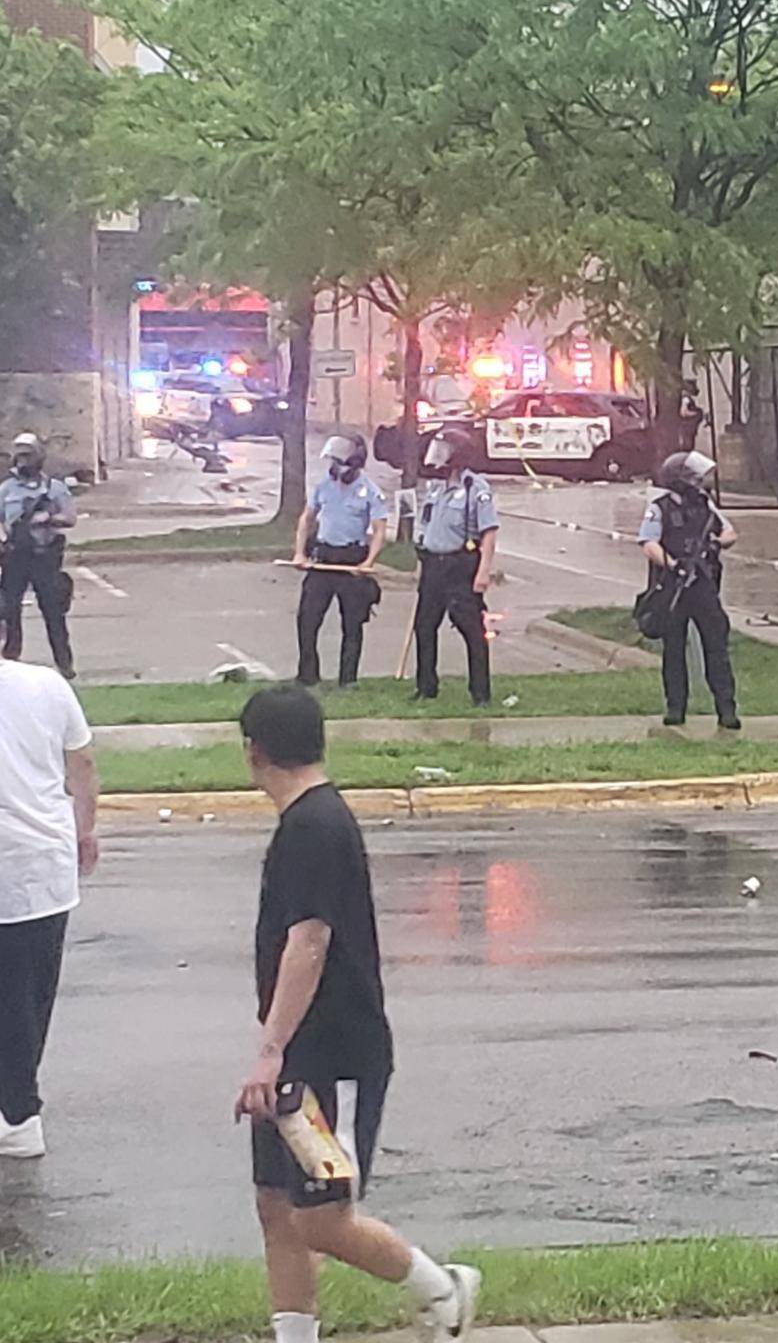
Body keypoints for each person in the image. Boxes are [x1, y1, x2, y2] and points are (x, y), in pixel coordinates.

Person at [236, 685, 479, 1343]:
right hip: (297, 1056)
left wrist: (268, 1051)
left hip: (331, 1055)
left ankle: (443, 1287)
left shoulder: (316, 826)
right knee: (276, 1205)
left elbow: (308, 941)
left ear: (254, 752)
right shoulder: (307, 820)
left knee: (322, 1217)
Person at [0, 597, 98, 1159]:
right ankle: (18, 1107)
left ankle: (15, 1110)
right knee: (32, 991)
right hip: (44, 864)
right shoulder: (49, 688)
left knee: (11, 995)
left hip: (23, 865)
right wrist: (84, 830)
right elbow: (81, 765)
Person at [638, 449, 740, 729]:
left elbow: (730, 532)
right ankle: (675, 708)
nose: (703, 483)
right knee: (674, 650)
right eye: (698, 478)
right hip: (674, 587)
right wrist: (672, 565)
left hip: (704, 585)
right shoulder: (659, 508)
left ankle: (727, 709)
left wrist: (717, 544)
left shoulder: (706, 506)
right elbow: (648, 543)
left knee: (716, 646)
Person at [413, 426, 498, 706]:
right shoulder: (435, 487)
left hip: (460, 565)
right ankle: (426, 687)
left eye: (443, 451)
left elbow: (488, 532)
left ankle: (480, 693)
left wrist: (483, 571)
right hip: (433, 565)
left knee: (471, 629)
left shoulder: (476, 488)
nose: (437, 456)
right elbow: (426, 523)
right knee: (424, 626)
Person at [294, 435, 387, 689]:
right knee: (307, 619)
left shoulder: (370, 492)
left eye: (342, 463)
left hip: (351, 562)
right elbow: (307, 519)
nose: (337, 469)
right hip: (323, 559)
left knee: (353, 624)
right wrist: (300, 553)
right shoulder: (324, 485)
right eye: (334, 463)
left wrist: (368, 562)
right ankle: (307, 675)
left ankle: (348, 679)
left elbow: (379, 530)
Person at [0, 432, 77, 679]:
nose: (23, 461)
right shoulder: (6, 490)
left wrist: (48, 518)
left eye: (28, 456)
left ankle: (64, 663)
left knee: (53, 611)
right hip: (15, 557)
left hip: (45, 556)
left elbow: (70, 518)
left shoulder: (54, 489)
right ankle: (10, 659)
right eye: (19, 456)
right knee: (9, 609)